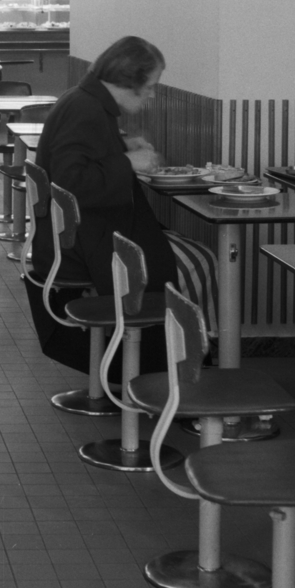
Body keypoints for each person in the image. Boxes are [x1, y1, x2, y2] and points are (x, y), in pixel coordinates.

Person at [26, 35, 180, 375]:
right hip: (83, 244)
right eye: (150, 86)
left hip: (69, 235)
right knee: (189, 264)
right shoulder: (87, 111)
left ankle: (142, 370)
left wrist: (122, 148)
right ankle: (152, 375)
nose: (153, 95)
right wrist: (128, 163)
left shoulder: (83, 101)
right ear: (128, 82)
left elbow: (79, 161)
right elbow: (70, 182)